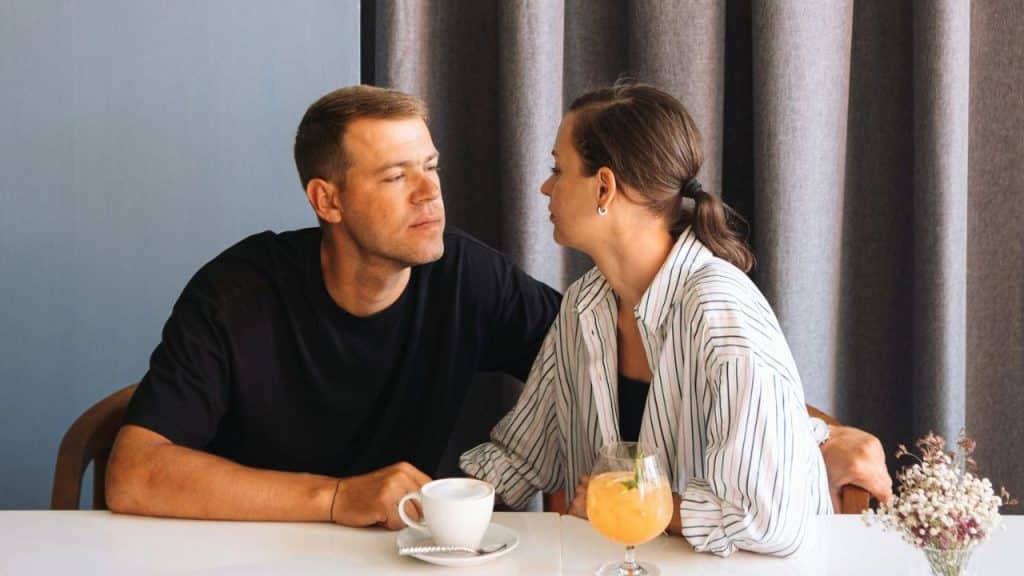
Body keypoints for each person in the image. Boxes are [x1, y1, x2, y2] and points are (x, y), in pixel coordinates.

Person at [107, 85, 891, 531]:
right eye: (395, 177)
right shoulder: (237, 292)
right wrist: (348, 500)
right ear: (327, 199)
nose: (432, 193)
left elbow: (729, 395)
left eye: (433, 166)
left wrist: (811, 433)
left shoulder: (478, 281)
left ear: (607, 189)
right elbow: (133, 476)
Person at [460, 83, 849, 557]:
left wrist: (636, 501)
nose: (545, 186)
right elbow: (522, 455)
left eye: (557, 170)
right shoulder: (585, 304)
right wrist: (434, 503)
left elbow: (767, 518)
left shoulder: (719, 311)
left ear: (604, 186)